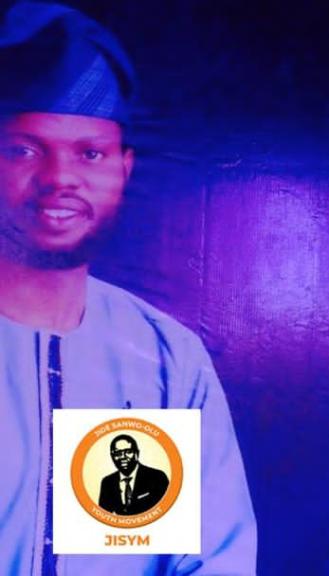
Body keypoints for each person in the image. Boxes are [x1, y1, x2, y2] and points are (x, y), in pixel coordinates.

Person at [0, 2, 257, 574]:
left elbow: (214, 561)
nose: (60, 179)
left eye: (89, 153)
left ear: (124, 168)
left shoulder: (165, 360)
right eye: (24, 149)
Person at [98, 435, 170, 516]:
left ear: (137, 453)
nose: (123, 457)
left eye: (128, 452)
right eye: (118, 453)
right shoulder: (107, 482)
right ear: (112, 456)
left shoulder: (157, 477)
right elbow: (103, 516)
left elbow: (166, 510)